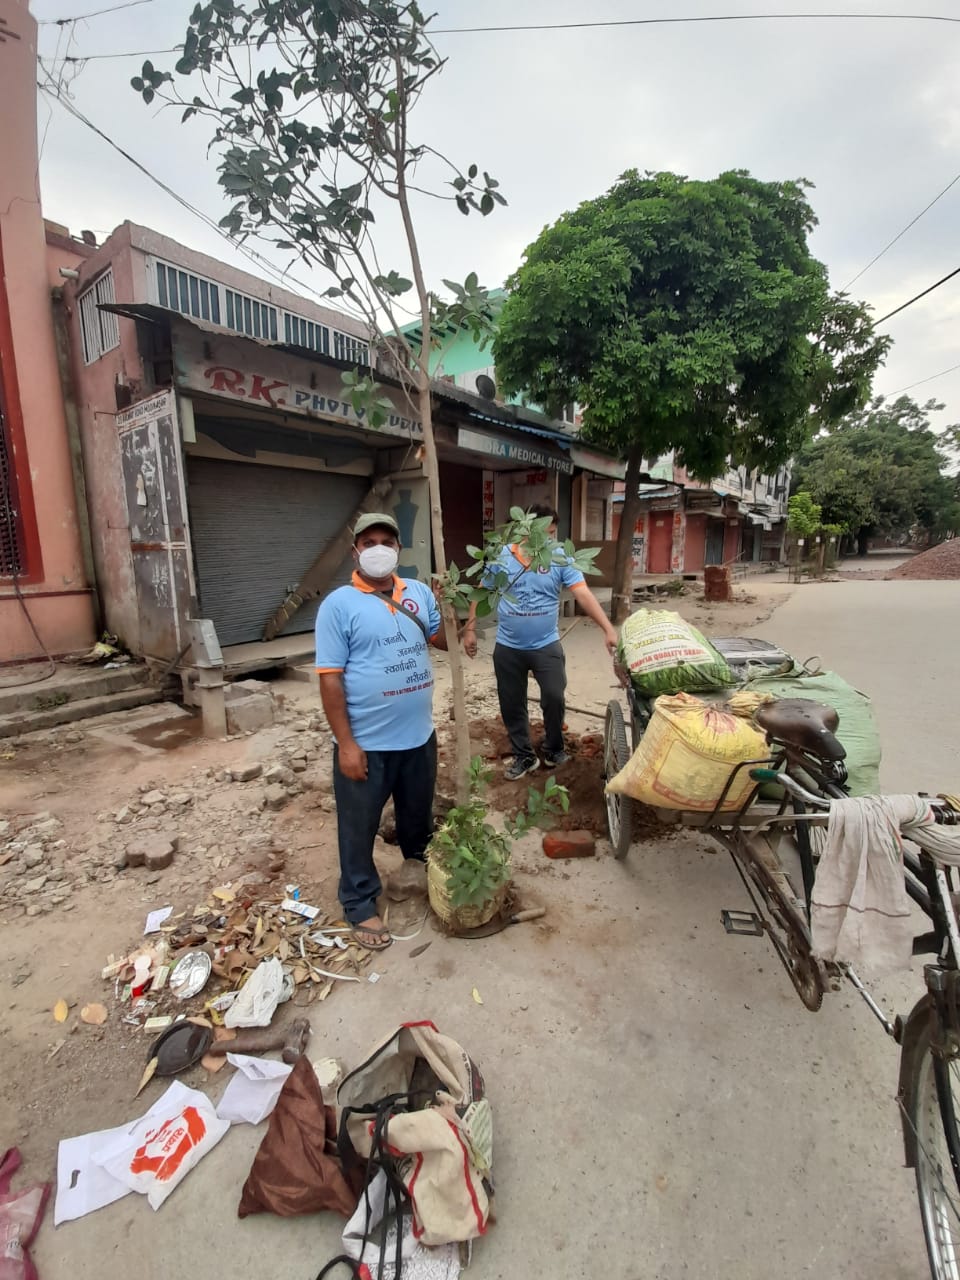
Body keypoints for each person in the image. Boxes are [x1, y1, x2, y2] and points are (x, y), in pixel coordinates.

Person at [315, 512, 451, 951]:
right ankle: (358, 901)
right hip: (367, 743)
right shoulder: (339, 605)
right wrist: (347, 745)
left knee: (418, 819)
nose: (377, 548)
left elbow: (443, 641)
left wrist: (455, 606)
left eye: (386, 541)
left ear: (397, 549)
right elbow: (330, 677)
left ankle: (417, 874)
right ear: (356, 550)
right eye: (368, 541)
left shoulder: (420, 593)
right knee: (359, 827)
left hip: (418, 737)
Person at [463, 503, 618, 779]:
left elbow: (583, 594)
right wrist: (471, 629)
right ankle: (524, 756)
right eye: (543, 532)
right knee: (511, 703)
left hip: (546, 644)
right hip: (508, 647)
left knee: (554, 697)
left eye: (553, 532)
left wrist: (607, 628)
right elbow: (482, 591)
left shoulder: (558, 557)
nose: (548, 539)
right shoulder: (501, 556)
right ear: (526, 528)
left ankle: (554, 747)